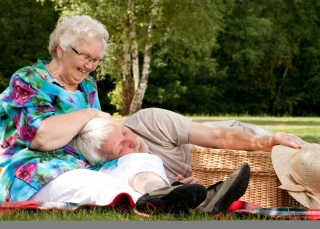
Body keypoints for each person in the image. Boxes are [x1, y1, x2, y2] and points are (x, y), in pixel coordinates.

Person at [0, 15, 208, 215]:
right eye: (86, 56)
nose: (90, 66)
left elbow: (97, 138)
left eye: (96, 60)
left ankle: (166, 192)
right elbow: (40, 137)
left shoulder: (87, 86)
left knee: (142, 161)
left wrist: (130, 151)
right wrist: (90, 113)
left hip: (88, 164)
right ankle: (161, 203)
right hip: (37, 170)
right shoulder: (29, 79)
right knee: (102, 186)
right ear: (61, 49)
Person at [68, 107, 306, 215]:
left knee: (308, 158)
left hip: (240, 138)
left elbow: (215, 137)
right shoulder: (124, 172)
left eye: (124, 132)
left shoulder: (149, 121)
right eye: (121, 147)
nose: (133, 141)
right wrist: (179, 187)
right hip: (219, 172)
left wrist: (268, 141)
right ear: (107, 161)